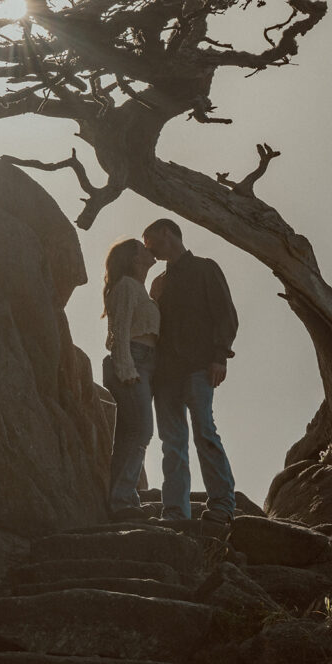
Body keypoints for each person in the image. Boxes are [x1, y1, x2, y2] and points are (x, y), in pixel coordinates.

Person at [143, 219, 238, 524]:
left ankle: (222, 506)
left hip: (199, 366)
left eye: (151, 241)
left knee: (204, 433)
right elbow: (152, 326)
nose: (149, 250)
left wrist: (220, 356)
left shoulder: (205, 268)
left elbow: (226, 315)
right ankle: (174, 512)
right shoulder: (159, 282)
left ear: (166, 233)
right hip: (165, 374)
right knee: (172, 443)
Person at [102, 238, 160, 521]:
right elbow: (120, 331)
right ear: (135, 257)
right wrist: (126, 369)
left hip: (143, 363)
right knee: (141, 431)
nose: (150, 250)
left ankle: (123, 499)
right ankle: (123, 500)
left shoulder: (139, 289)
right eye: (143, 247)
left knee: (127, 434)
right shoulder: (126, 285)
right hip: (131, 361)